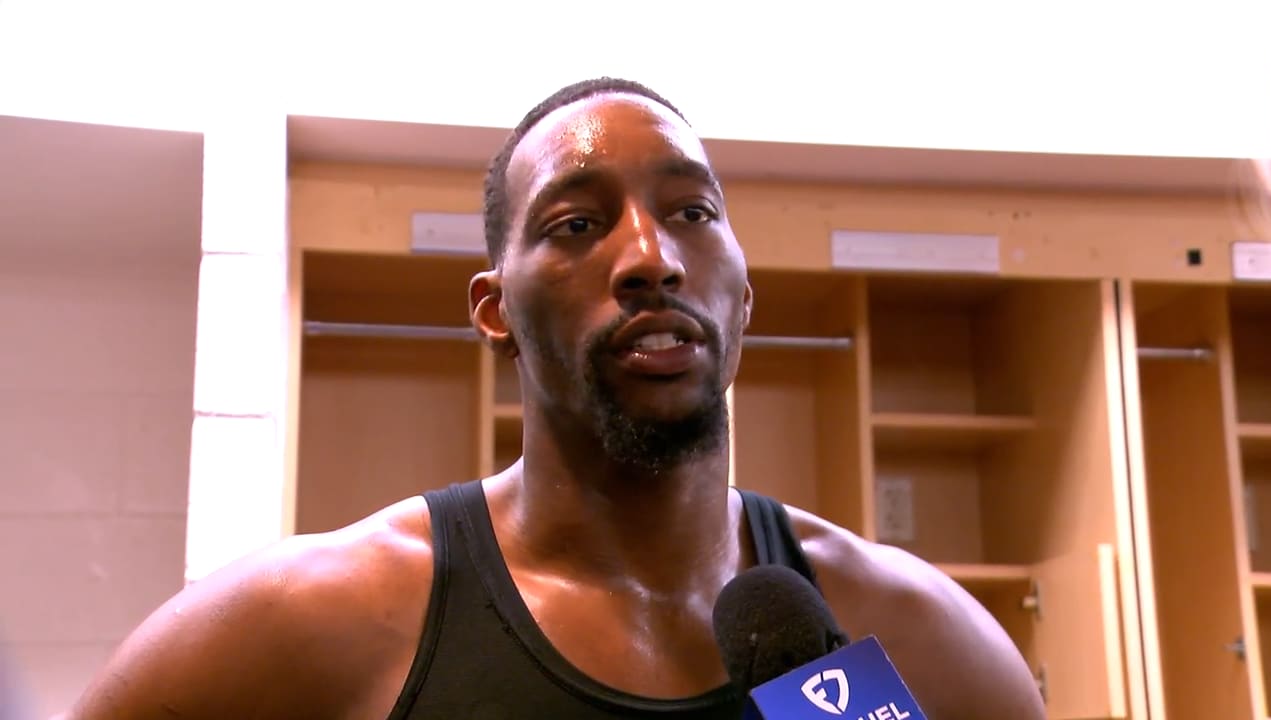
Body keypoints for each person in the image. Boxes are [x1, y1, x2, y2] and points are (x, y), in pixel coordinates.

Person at [64, 77, 1047, 719]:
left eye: (691, 212)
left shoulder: (915, 634)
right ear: (494, 311)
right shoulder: (319, 620)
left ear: (743, 297)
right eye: (576, 224)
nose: (651, 258)